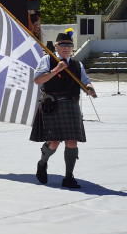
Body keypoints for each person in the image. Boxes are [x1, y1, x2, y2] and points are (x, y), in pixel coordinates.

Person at [32, 29, 96, 188]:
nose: (66, 48)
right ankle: (42, 163)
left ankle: (68, 177)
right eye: (63, 45)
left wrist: (89, 88)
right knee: (53, 142)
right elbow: (38, 80)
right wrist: (56, 70)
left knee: (72, 141)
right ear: (56, 46)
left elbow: (85, 81)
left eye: (69, 45)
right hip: (52, 104)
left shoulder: (77, 64)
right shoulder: (47, 60)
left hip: (71, 104)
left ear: (72, 47)